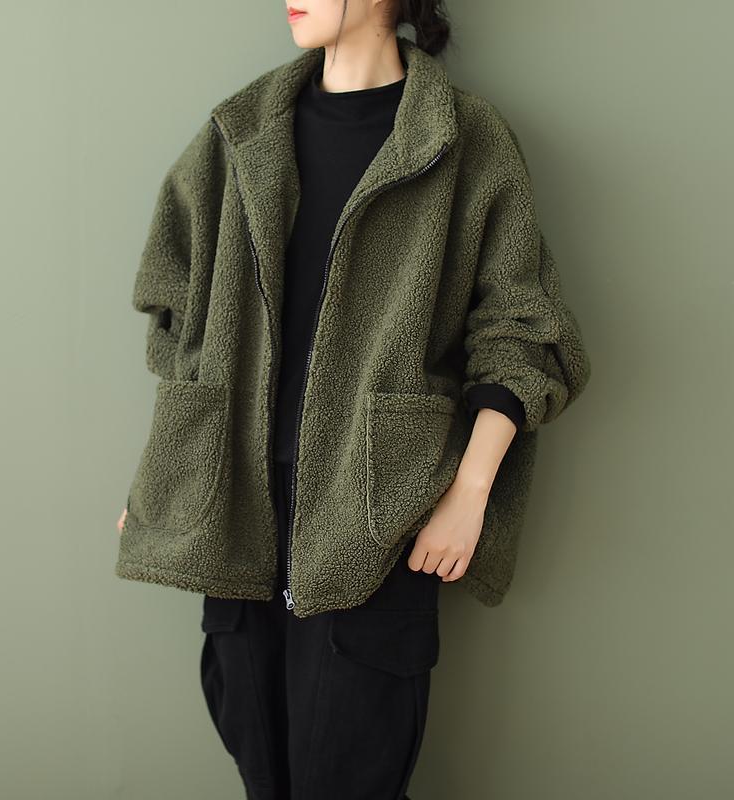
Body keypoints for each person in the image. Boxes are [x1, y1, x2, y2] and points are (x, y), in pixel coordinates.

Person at [115, 2, 592, 798]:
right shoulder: (240, 131)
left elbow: (524, 332)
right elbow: (180, 320)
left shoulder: (463, 140)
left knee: (351, 773)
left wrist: (470, 493)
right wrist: (168, 478)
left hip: (377, 512)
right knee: (258, 765)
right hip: (234, 507)